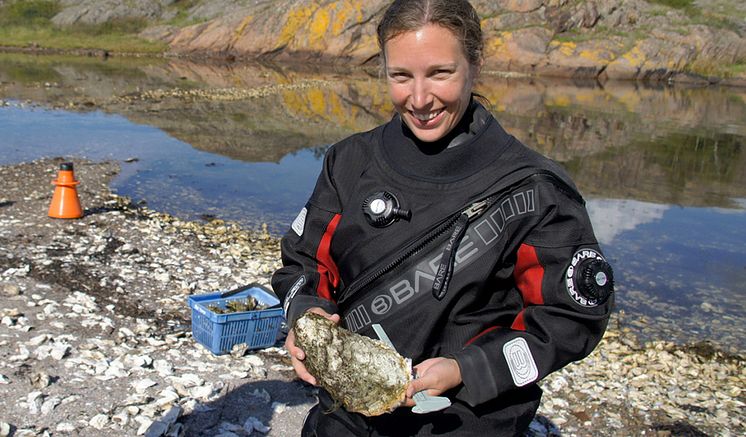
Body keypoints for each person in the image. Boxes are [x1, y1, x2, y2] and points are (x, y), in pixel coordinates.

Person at [271, 0, 614, 435]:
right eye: (401, 76)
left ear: (474, 65)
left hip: (466, 418)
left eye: (439, 73)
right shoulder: (349, 161)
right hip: (348, 411)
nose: (419, 99)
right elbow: (303, 263)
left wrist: (465, 367)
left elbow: (570, 318)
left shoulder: (535, 190)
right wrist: (307, 313)